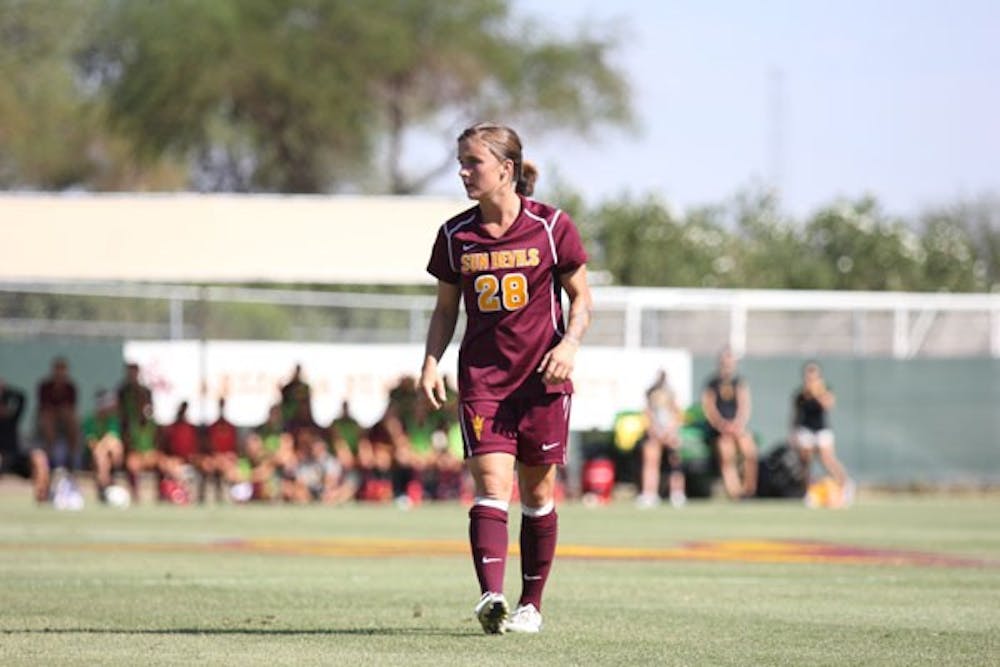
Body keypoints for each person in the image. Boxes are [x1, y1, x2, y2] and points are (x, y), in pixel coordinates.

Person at [420, 122, 592, 634]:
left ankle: (530, 605)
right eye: (462, 162)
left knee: (538, 496)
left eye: (473, 162)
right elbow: (445, 310)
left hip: (542, 382)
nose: (463, 172)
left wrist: (570, 344)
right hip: (484, 381)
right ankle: (492, 597)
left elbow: (582, 300)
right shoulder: (455, 236)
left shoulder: (552, 227)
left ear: (506, 169)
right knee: (492, 486)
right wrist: (430, 360)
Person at [790, 361, 854, 500]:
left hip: (821, 430)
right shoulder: (800, 395)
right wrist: (792, 434)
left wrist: (817, 392)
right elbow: (794, 416)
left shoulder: (825, 390)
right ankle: (807, 491)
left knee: (827, 459)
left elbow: (828, 405)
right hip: (805, 430)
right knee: (805, 461)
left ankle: (846, 484)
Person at [701, 347, 758, 499]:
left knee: (749, 451)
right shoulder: (712, 383)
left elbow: (744, 406)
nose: (728, 364)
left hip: (736, 427)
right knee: (727, 454)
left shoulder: (739, 382)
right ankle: (735, 492)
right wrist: (721, 425)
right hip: (720, 430)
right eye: (725, 360)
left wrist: (737, 424)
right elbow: (709, 408)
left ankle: (749, 490)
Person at [636, 369, 686, 508]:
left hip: (669, 434)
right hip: (655, 434)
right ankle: (649, 493)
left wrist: (670, 432)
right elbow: (647, 415)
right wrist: (655, 431)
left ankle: (677, 493)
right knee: (651, 461)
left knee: (675, 462)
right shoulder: (650, 394)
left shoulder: (671, 394)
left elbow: (677, 415)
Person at [35, 357, 80, 470]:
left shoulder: (70, 387)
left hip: (64, 418)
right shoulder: (45, 386)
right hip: (49, 418)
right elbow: (44, 406)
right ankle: (51, 457)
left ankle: (72, 456)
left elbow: (71, 407)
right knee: (48, 420)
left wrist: (62, 411)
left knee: (72, 419)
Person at [83, 389, 125, 502]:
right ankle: (105, 486)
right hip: (92, 458)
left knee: (111, 446)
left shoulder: (113, 420)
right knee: (101, 456)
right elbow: (91, 444)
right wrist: (101, 450)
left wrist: (102, 449)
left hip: (109, 456)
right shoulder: (89, 420)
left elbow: (112, 440)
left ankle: (108, 482)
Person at [0, 377, 30, 481]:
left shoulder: (11, 420)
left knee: (35, 457)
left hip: (13, 457)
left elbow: (22, 398)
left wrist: (5, 390)